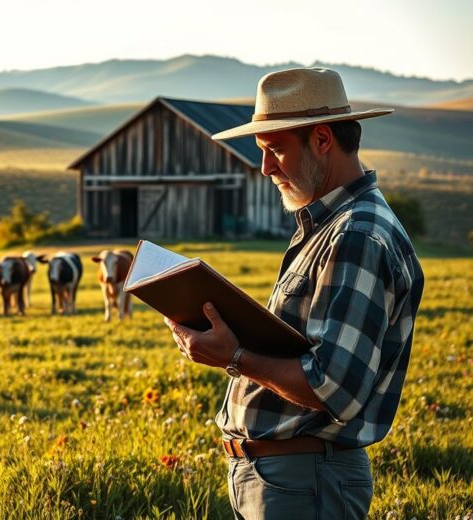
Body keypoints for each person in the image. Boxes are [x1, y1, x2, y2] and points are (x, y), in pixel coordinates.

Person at [164, 68, 424, 519]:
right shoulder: (328, 226)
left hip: (304, 481)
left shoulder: (357, 234)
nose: (264, 167)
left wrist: (235, 356)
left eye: (275, 149)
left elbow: (334, 387)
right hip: (289, 479)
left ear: (323, 140)